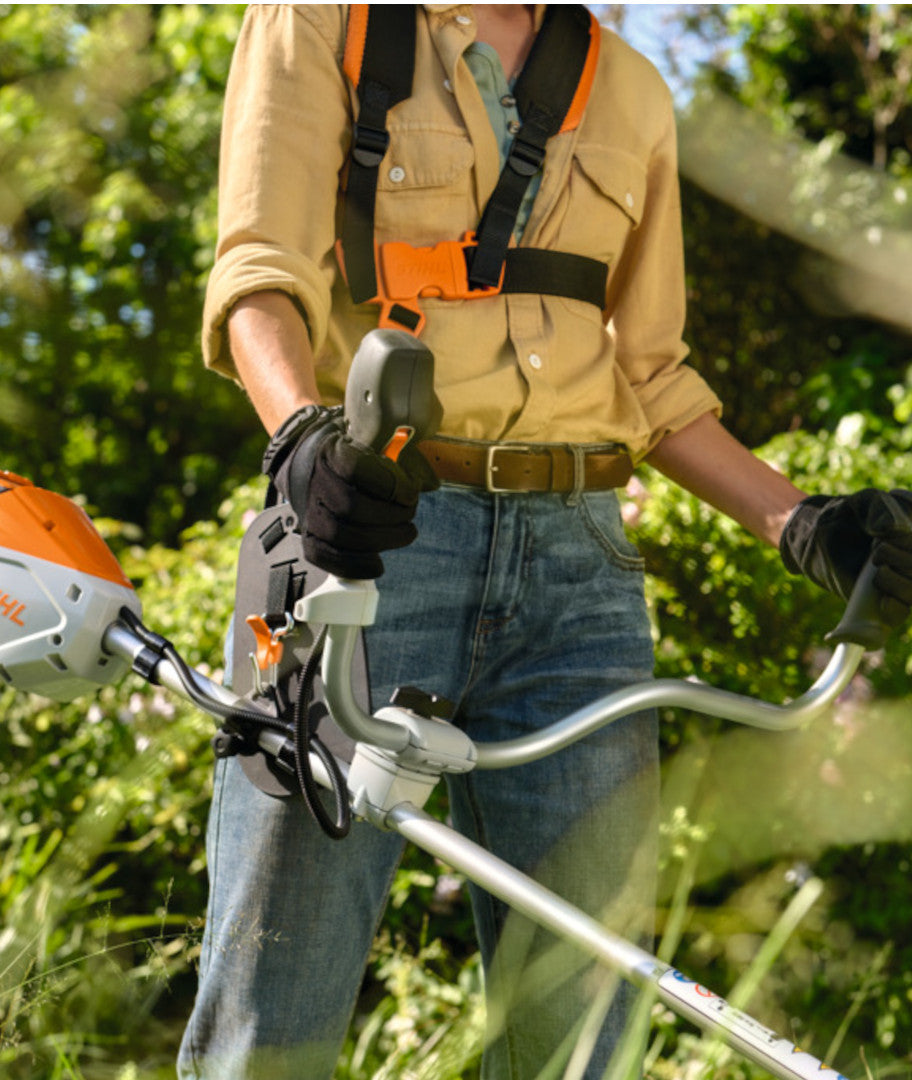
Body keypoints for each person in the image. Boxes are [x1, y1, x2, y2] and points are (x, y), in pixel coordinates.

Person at [178, 6, 912, 1079]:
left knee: (578, 1021)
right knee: (273, 1010)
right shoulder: (325, 24)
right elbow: (258, 274)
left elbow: (650, 377)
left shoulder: (627, 87)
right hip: (370, 536)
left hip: (581, 574)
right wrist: (303, 443)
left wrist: (804, 527)